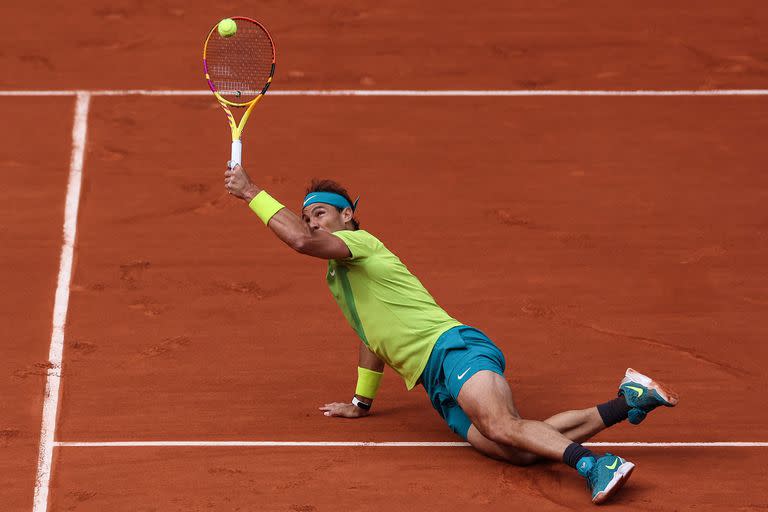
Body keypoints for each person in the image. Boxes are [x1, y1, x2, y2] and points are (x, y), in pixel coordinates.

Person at [223, 163, 679, 504]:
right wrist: (362, 403)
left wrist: (252, 194)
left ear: (348, 217)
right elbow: (373, 337)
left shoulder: (362, 245)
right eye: (307, 217)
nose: (312, 224)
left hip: (453, 349)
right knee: (511, 447)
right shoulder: (338, 277)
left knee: (503, 424)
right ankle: (630, 400)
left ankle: (597, 464)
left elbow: (300, 244)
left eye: (320, 213)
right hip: (434, 382)